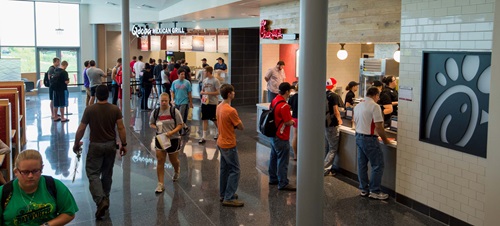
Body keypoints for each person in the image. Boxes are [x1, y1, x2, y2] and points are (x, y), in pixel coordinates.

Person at [73, 84, 128, 218]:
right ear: (108, 95)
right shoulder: (115, 109)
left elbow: (81, 129)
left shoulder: (90, 110)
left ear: (96, 96)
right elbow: (121, 128)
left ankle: (100, 200)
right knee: (107, 173)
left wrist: (76, 143)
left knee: (92, 173)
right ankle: (106, 198)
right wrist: (123, 144)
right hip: (110, 145)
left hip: (96, 145)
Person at [0, 150, 78, 225]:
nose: (30, 176)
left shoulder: (53, 185)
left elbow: (69, 213)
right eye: (25, 172)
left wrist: (47, 225)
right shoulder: (3, 192)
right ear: (16, 172)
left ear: (42, 169)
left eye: (35, 171)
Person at [353, 87, 390, 200]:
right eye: (378, 96)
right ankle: (374, 191)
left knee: (362, 165)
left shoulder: (358, 105)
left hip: (358, 136)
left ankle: (364, 189)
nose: (379, 98)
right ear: (375, 95)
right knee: (378, 165)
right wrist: (385, 140)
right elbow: (379, 126)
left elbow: (355, 121)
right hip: (369, 139)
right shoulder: (375, 106)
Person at [216, 84, 244, 207]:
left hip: (221, 141)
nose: (234, 93)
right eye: (233, 91)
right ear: (229, 94)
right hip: (229, 144)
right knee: (235, 170)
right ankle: (229, 197)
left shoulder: (219, 107)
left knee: (224, 169)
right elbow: (241, 127)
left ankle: (224, 193)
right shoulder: (231, 110)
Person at [150, 93, 183, 193]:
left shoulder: (174, 111)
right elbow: (151, 123)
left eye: (165, 100)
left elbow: (180, 124)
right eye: (162, 101)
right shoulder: (155, 112)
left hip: (173, 138)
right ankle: (160, 184)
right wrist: (156, 127)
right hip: (160, 138)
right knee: (160, 160)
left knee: (173, 160)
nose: (163, 103)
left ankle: (177, 169)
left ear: (169, 101)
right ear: (159, 101)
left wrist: (171, 132)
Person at [268, 82, 296, 191]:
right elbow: (288, 121)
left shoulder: (275, 100)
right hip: (281, 136)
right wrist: (293, 122)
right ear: (287, 91)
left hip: (273, 134)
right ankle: (283, 183)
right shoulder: (284, 105)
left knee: (274, 157)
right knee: (283, 161)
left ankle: (273, 178)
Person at [324, 78, 343, 176]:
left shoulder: (323, 94)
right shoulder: (334, 96)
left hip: (324, 123)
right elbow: (336, 110)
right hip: (332, 124)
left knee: (326, 146)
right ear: (334, 85)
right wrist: (339, 120)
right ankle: (325, 169)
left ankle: (321, 166)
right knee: (333, 148)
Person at [199, 66, 221, 144]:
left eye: (205, 71)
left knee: (214, 118)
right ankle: (204, 136)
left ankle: (219, 132)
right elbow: (203, 90)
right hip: (205, 102)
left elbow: (218, 92)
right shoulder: (204, 81)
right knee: (204, 118)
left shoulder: (215, 81)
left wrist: (207, 93)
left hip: (213, 102)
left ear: (208, 72)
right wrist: (202, 92)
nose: (204, 73)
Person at [170, 68, 193, 135]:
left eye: (184, 74)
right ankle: (185, 127)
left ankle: (179, 131)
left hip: (184, 102)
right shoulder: (174, 82)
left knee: (180, 116)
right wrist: (172, 100)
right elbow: (172, 91)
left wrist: (191, 103)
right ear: (178, 75)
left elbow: (189, 93)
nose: (183, 75)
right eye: (181, 74)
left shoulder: (187, 83)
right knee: (176, 116)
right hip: (176, 102)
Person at [287, 81, 299, 161]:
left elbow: (288, 108)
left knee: (295, 136)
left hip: (294, 118)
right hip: (303, 119)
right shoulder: (306, 97)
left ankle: (295, 155)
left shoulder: (293, 97)